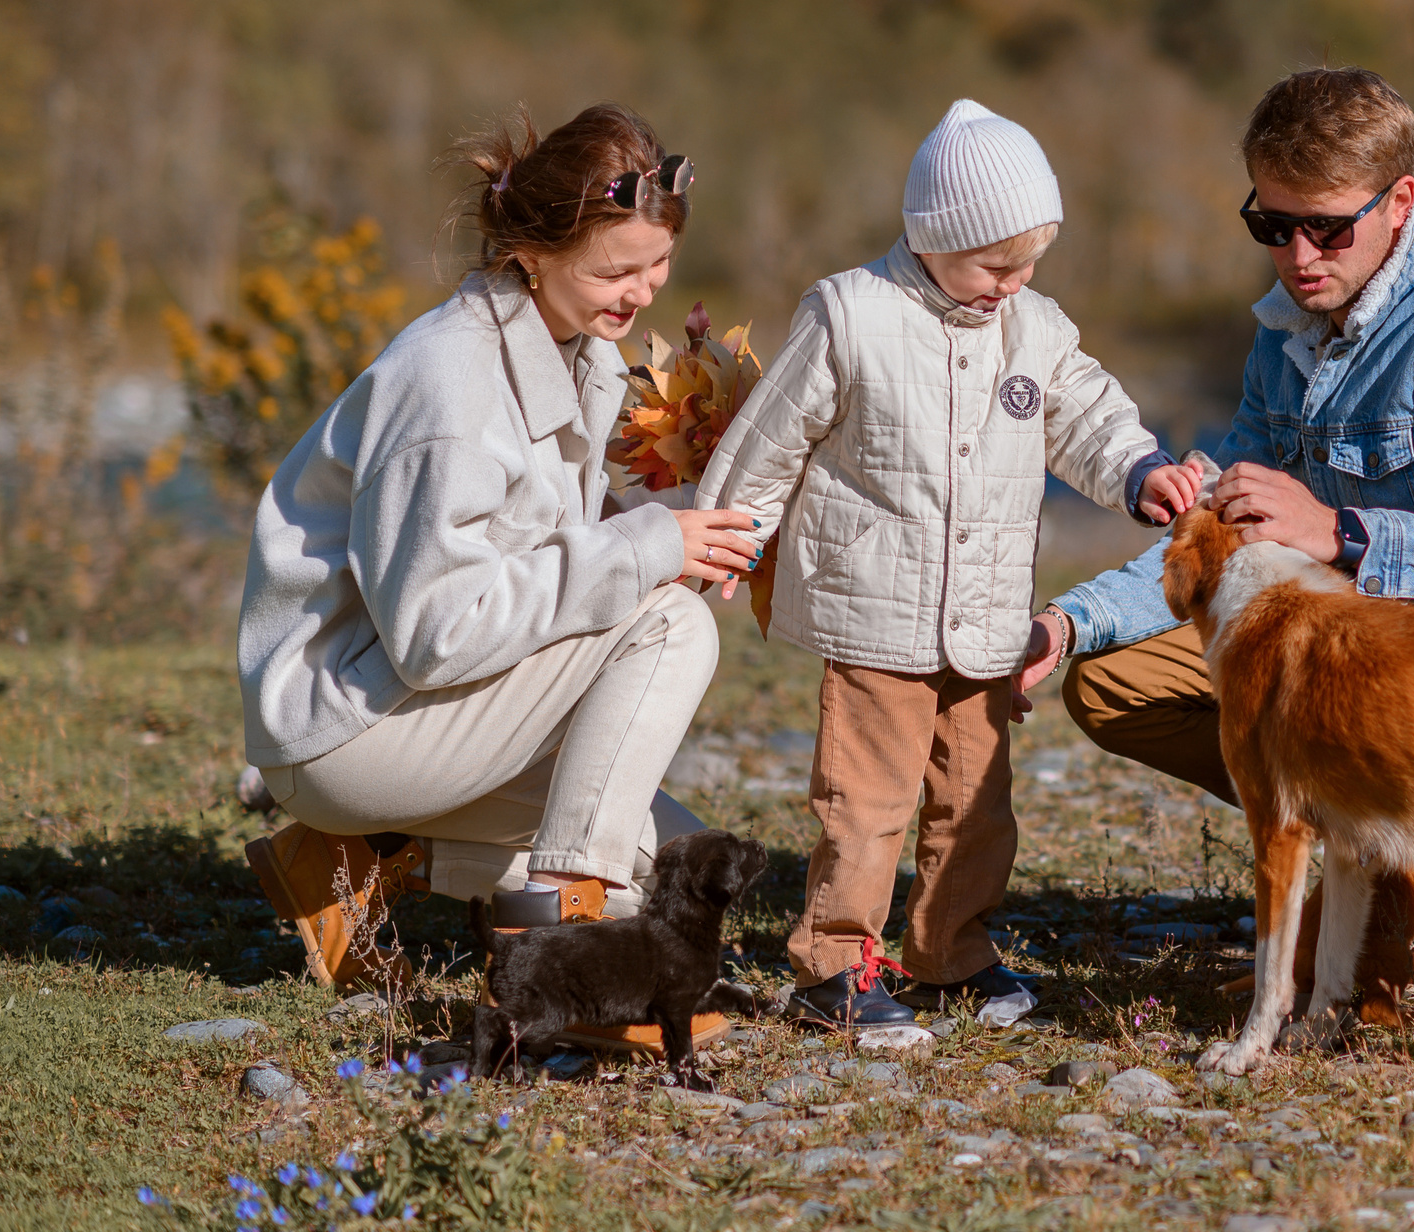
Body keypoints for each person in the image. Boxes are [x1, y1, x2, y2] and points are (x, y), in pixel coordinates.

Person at [1029, 67, 1414, 1006]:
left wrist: (1337, 530)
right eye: (1271, 225)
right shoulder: (1287, 327)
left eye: (1326, 228)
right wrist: (1066, 624)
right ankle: (1393, 853)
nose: (1297, 256)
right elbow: (1222, 539)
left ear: (1399, 202)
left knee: (1352, 993)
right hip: (1379, 635)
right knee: (1115, 682)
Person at [238, 105, 763, 1045]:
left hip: (416, 708)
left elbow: (540, 545)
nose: (642, 291)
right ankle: (567, 946)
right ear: (530, 250)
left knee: (670, 870)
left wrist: (683, 523)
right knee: (668, 625)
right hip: (347, 719)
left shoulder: (577, 348)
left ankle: (358, 863)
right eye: (616, 270)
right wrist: (646, 551)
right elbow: (435, 631)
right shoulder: (450, 383)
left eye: (657, 266)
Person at [694, 99, 1204, 1027]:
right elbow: (770, 439)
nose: (1015, 283)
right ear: (933, 239)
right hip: (873, 610)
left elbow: (1085, 415)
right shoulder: (852, 314)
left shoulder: (1033, 329)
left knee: (975, 802)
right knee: (866, 801)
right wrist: (733, 531)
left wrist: (1137, 469)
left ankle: (950, 954)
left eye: (1031, 263)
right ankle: (834, 967)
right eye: (996, 265)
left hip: (987, 613)